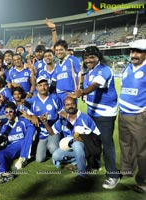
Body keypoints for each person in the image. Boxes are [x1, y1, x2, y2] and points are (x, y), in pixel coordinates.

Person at [71, 46, 121, 189]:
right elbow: (87, 88)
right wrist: (82, 85)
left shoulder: (103, 70)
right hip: (92, 112)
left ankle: (113, 176)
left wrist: (82, 91)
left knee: (107, 144)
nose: (88, 60)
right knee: (93, 141)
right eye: (86, 58)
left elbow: (95, 85)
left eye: (91, 57)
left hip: (104, 114)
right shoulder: (90, 71)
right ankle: (95, 165)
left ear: (98, 57)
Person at [50, 97, 101, 182]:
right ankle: (78, 161)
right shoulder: (63, 119)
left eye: (72, 104)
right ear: (64, 107)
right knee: (56, 155)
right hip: (69, 146)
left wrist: (84, 139)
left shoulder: (85, 118)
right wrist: (44, 122)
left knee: (76, 144)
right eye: (67, 105)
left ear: (76, 104)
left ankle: (82, 174)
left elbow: (97, 133)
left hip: (84, 146)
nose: (70, 106)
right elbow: (52, 132)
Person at [118, 39, 146, 193]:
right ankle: (126, 169)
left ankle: (142, 181)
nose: (134, 54)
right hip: (123, 114)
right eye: (132, 51)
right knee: (125, 145)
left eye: (138, 52)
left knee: (142, 151)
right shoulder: (128, 67)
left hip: (138, 117)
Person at [0, 102, 36, 184]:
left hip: (23, 144)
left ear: (15, 112)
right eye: (6, 112)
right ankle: (2, 173)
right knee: (1, 153)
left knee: (31, 129)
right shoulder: (5, 126)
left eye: (11, 111)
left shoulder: (22, 121)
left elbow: (32, 129)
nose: (9, 114)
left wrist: (30, 118)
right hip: (11, 147)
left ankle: (23, 157)